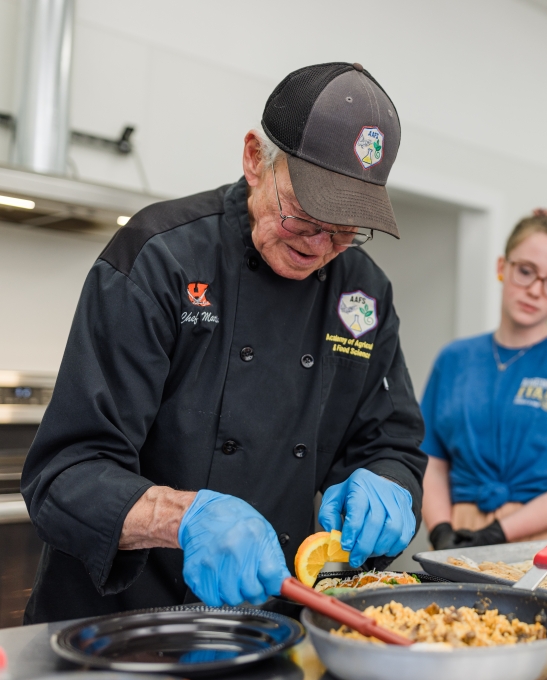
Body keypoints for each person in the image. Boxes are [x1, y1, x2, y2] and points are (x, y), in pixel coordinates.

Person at [20, 63, 425, 622]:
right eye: (306, 215)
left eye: (346, 229)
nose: (322, 244)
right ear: (255, 159)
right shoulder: (158, 257)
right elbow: (64, 474)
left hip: (269, 625)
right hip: (118, 627)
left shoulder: (364, 290)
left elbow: (392, 443)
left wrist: (388, 485)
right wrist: (181, 517)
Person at [420, 208, 547, 549]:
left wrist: (499, 533)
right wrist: (440, 530)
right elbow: (431, 460)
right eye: (526, 271)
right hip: (457, 533)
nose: (535, 290)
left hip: (541, 538)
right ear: (502, 267)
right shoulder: (455, 359)